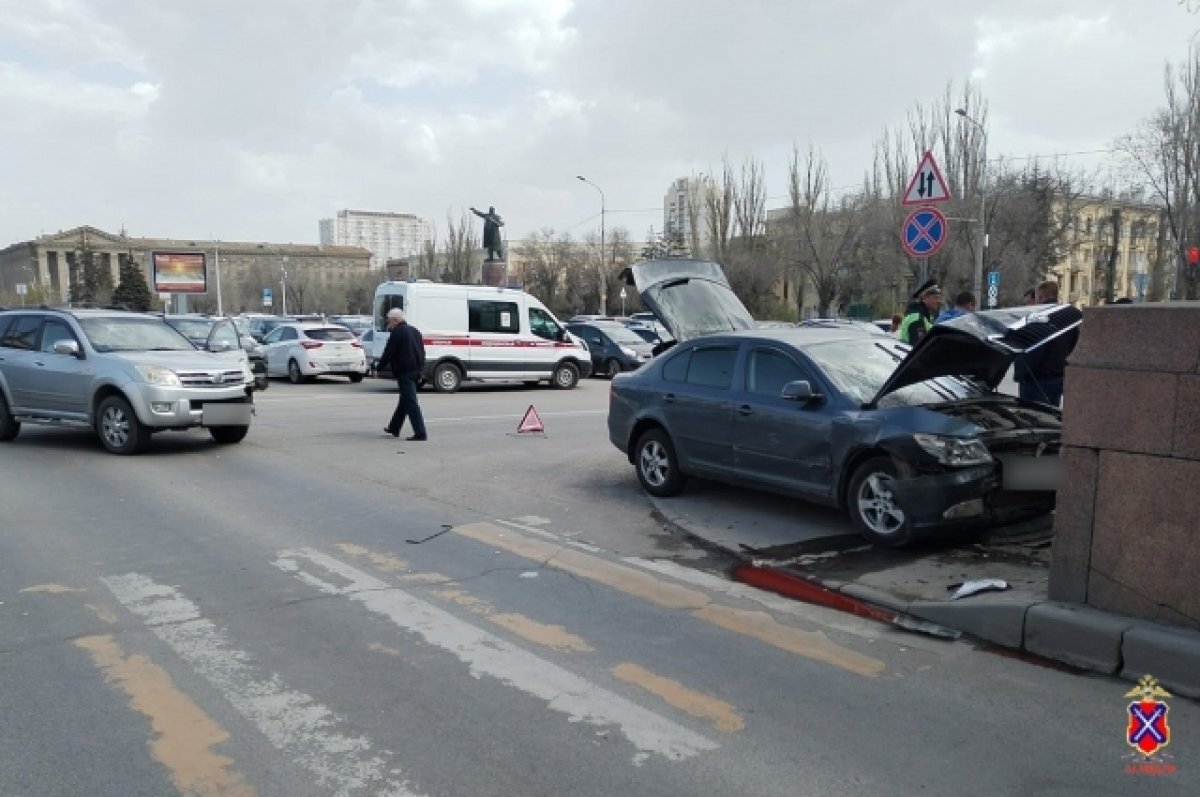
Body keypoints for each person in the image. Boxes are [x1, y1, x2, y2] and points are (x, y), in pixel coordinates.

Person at [1013, 280, 1077, 407]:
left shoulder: (1038, 317)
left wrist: (1021, 374)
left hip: (1036, 379)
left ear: (1041, 297)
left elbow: (1032, 349)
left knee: (1032, 416)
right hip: (1059, 377)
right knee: (1051, 417)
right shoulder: (1070, 316)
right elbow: (1073, 346)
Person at [380, 308, 428, 441]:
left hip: (404, 372)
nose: (389, 324)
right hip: (416, 371)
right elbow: (422, 352)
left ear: (395, 320)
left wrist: (378, 368)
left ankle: (420, 433)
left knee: (411, 403)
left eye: (389, 321)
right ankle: (394, 427)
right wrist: (421, 369)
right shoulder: (415, 331)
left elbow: (389, 352)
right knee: (405, 401)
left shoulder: (397, 332)